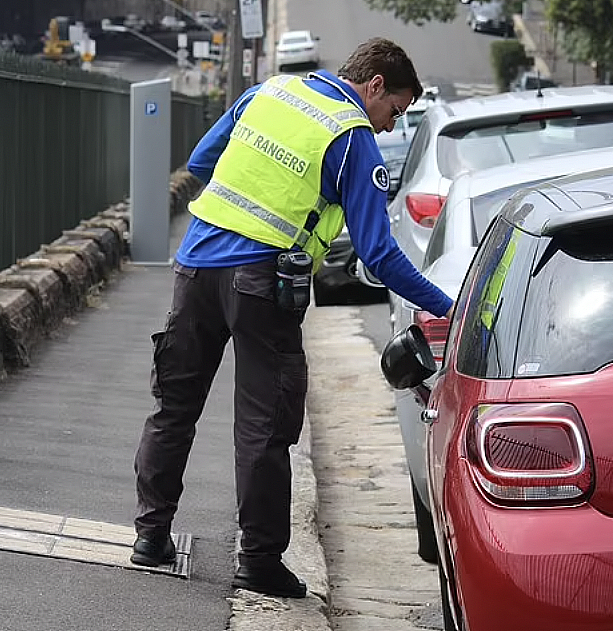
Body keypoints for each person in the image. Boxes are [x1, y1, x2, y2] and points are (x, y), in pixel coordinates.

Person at [131, 37, 455, 599]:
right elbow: (378, 254)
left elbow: (204, 161)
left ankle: (149, 537)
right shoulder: (351, 139)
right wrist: (448, 306)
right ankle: (257, 562)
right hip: (260, 286)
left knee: (173, 408)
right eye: (394, 112)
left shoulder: (270, 92)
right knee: (264, 426)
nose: (387, 126)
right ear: (374, 85)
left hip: (196, 266)